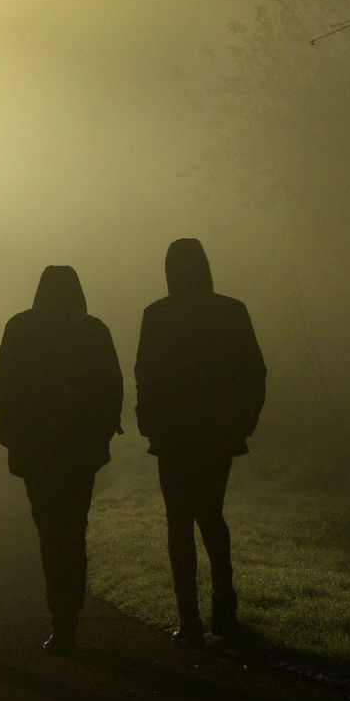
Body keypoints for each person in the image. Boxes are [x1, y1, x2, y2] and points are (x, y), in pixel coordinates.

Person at [134, 238, 266, 647]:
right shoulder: (230, 311)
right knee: (211, 515)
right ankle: (223, 607)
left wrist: (150, 424)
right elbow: (254, 372)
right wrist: (242, 422)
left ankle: (189, 619)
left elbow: (146, 375)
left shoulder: (157, 314)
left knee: (179, 522)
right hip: (215, 434)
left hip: (174, 435)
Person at [0, 266, 123, 654]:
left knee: (50, 533)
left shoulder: (21, 328)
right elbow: (112, 388)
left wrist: (16, 433)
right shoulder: (93, 331)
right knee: (74, 529)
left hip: (39, 451)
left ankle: (61, 617)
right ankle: (70, 614)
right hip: (79, 451)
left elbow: (4, 383)